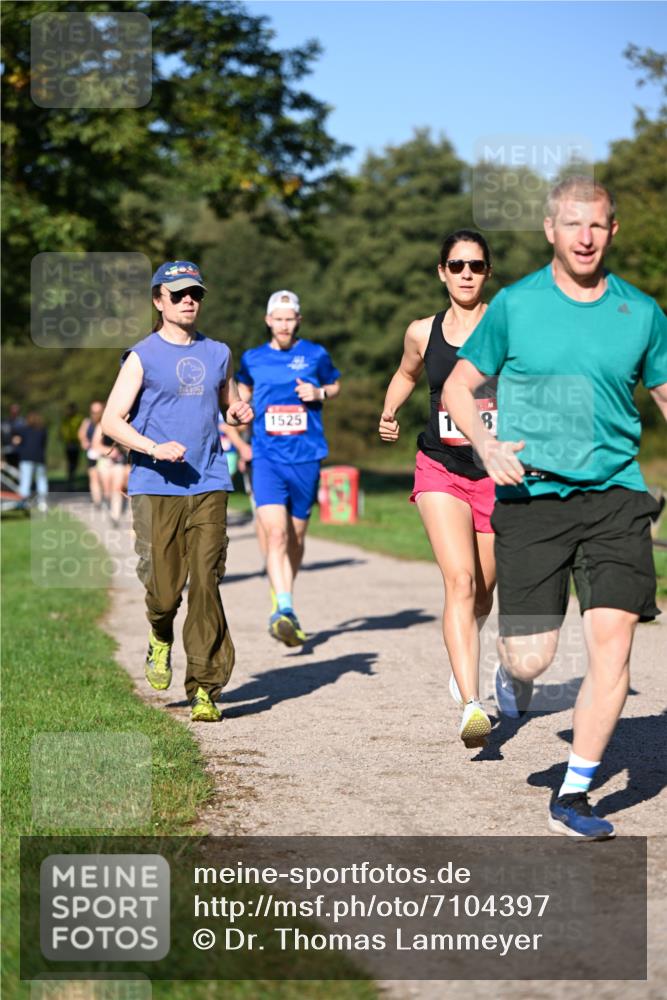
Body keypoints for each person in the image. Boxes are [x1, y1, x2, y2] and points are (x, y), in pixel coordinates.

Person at [444, 177, 667, 839]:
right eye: (571, 225)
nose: (584, 237)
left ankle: (573, 795)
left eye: (596, 225)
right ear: (549, 230)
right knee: (530, 658)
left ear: (611, 230)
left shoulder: (641, 312)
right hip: (530, 497)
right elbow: (459, 386)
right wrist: (484, 446)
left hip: (615, 495)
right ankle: (509, 679)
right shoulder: (513, 305)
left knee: (612, 644)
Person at [101, 260, 253, 722]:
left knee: (206, 581)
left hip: (208, 481)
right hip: (154, 485)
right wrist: (152, 447)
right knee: (165, 593)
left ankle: (205, 687)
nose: (190, 300)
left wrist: (238, 412)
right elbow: (111, 421)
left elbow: (228, 403)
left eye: (196, 294)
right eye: (180, 293)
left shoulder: (219, 352)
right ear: (158, 300)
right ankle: (160, 634)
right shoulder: (141, 356)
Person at [379, 231, 497, 750]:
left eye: (475, 265)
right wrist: (388, 412)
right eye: (457, 264)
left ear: (486, 273)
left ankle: (464, 651)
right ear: (442, 272)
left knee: (485, 592)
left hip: (495, 473)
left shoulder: (506, 326)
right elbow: (406, 374)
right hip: (439, 467)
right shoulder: (422, 332)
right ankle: (472, 702)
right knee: (461, 580)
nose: (466, 273)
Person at [236, 290, 341, 646]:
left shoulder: (315, 354)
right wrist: (239, 411)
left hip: (307, 456)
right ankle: (284, 607)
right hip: (265, 455)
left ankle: (283, 596)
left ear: (298, 320)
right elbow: (241, 392)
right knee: (276, 534)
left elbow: (335, 383)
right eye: (277, 318)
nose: (283, 324)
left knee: (295, 539)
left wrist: (320, 394)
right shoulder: (252, 359)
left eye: (289, 318)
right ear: (268, 320)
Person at [13, 410, 49, 512]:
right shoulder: (42, 430)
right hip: (39, 458)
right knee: (41, 480)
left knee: (26, 480)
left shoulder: (23, 430)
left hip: (26, 458)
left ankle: (23, 502)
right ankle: (42, 502)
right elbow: (44, 444)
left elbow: (16, 438)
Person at [78, 401, 104, 507]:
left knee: (103, 477)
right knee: (93, 477)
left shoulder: (105, 422)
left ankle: (106, 498)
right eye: (93, 411)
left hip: (104, 454)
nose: (96, 414)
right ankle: (97, 501)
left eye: (98, 411)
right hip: (92, 453)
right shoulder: (87, 422)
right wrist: (84, 441)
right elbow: (81, 434)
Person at [60, 402, 83, 487]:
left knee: (75, 462)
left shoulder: (79, 418)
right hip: (68, 443)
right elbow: (63, 431)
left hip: (76, 443)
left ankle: (72, 477)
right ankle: (70, 478)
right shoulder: (65, 419)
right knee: (70, 462)